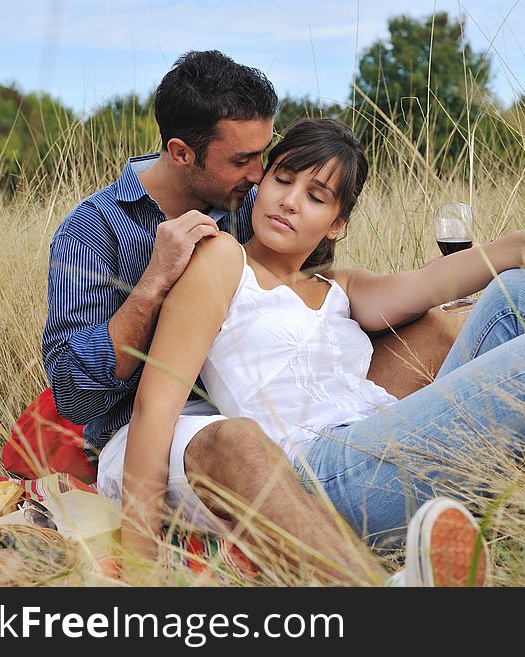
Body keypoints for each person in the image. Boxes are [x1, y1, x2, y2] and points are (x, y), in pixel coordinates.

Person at [123, 117, 525, 565]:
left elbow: (437, 280)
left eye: (316, 195)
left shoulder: (340, 286)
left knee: (521, 290)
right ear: (260, 181)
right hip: (321, 480)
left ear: (338, 221)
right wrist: (139, 553)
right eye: (284, 179)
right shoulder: (220, 262)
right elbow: (157, 402)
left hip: (389, 445)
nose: (290, 200)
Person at [42, 50, 472, 585]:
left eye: (265, 157)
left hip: (276, 417)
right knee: (235, 436)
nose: (259, 174)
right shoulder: (93, 231)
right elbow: (72, 396)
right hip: (164, 433)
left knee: (436, 329)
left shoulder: (250, 199)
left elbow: (307, 291)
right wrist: (153, 284)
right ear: (181, 153)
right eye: (243, 159)